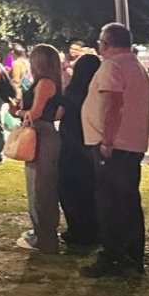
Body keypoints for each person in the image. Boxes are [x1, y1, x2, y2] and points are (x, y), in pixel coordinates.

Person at [80, 23, 149, 278]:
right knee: (129, 201)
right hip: (131, 144)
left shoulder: (113, 66)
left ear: (106, 43)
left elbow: (111, 105)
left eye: (100, 41)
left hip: (114, 146)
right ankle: (132, 258)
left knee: (110, 203)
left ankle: (113, 258)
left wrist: (106, 141)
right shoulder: (135, 66)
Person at [13, 44, 65, 253]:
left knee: (40, 188)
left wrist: (18, 111)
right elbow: (57, 113)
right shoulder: (55, 82)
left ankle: (45, 237)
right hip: (46, 134)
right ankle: (43, 233)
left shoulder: (44, 83)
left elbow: (34, 113)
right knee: (41, 186)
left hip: (41, 136)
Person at [58, 54, 102, 253]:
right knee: (90, 189)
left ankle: (78, 230)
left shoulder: (73, 91)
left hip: (71, 146)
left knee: (70, 190)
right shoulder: (96, 91)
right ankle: (93, 229)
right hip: (90, 144)